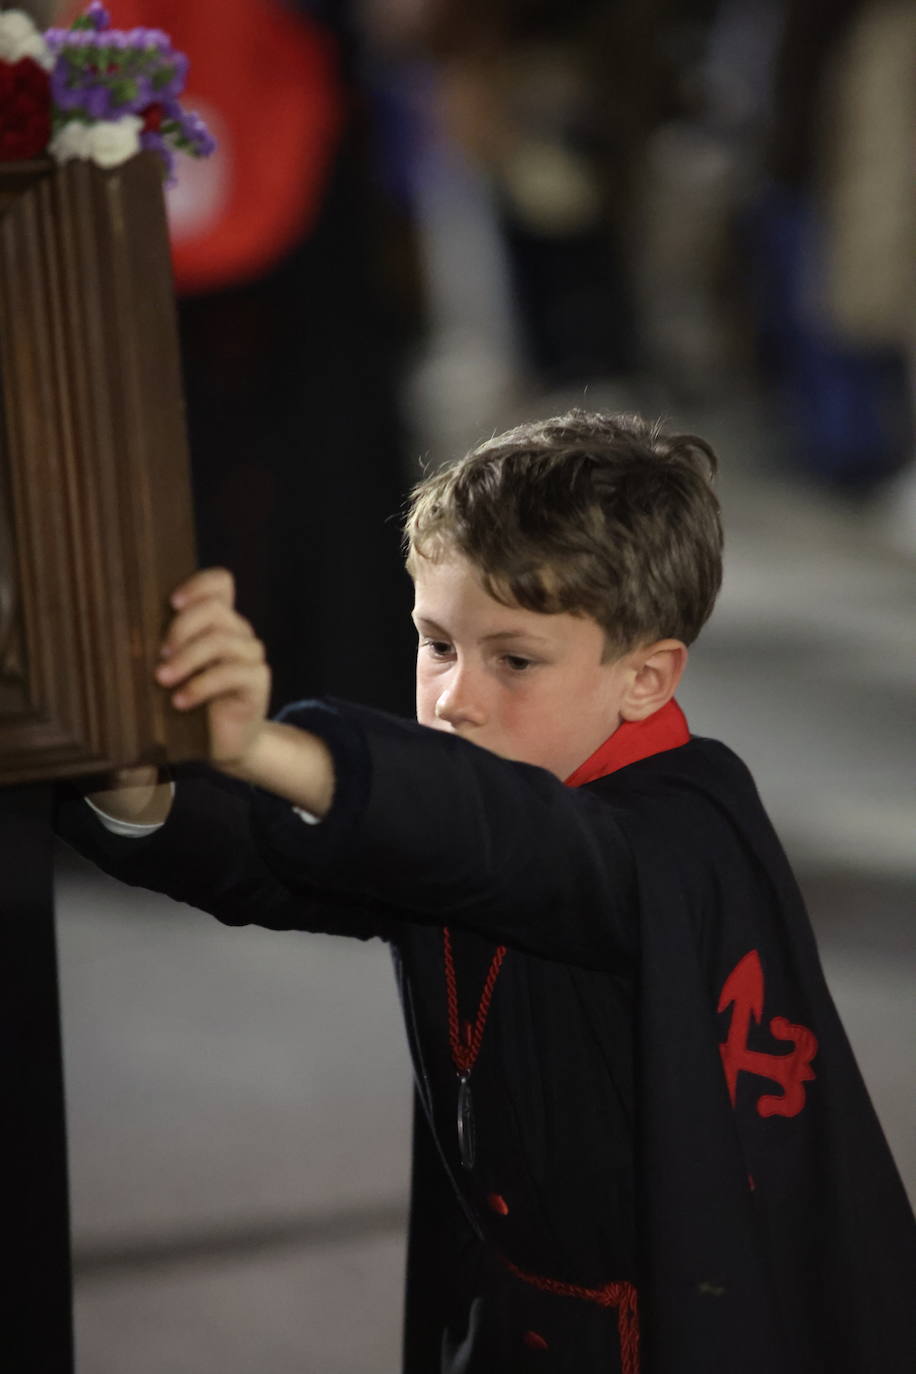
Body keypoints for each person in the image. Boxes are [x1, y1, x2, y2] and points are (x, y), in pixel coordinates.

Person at [56, 411, 916, 1373]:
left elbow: (522, 847)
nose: (455, 698)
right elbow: (281, 855)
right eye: (435, 643)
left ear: (646, 677)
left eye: (514, 659)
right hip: (503, 1318)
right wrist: (128, 771)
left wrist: (254, 739)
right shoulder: (463, 804)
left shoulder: (679, 834)